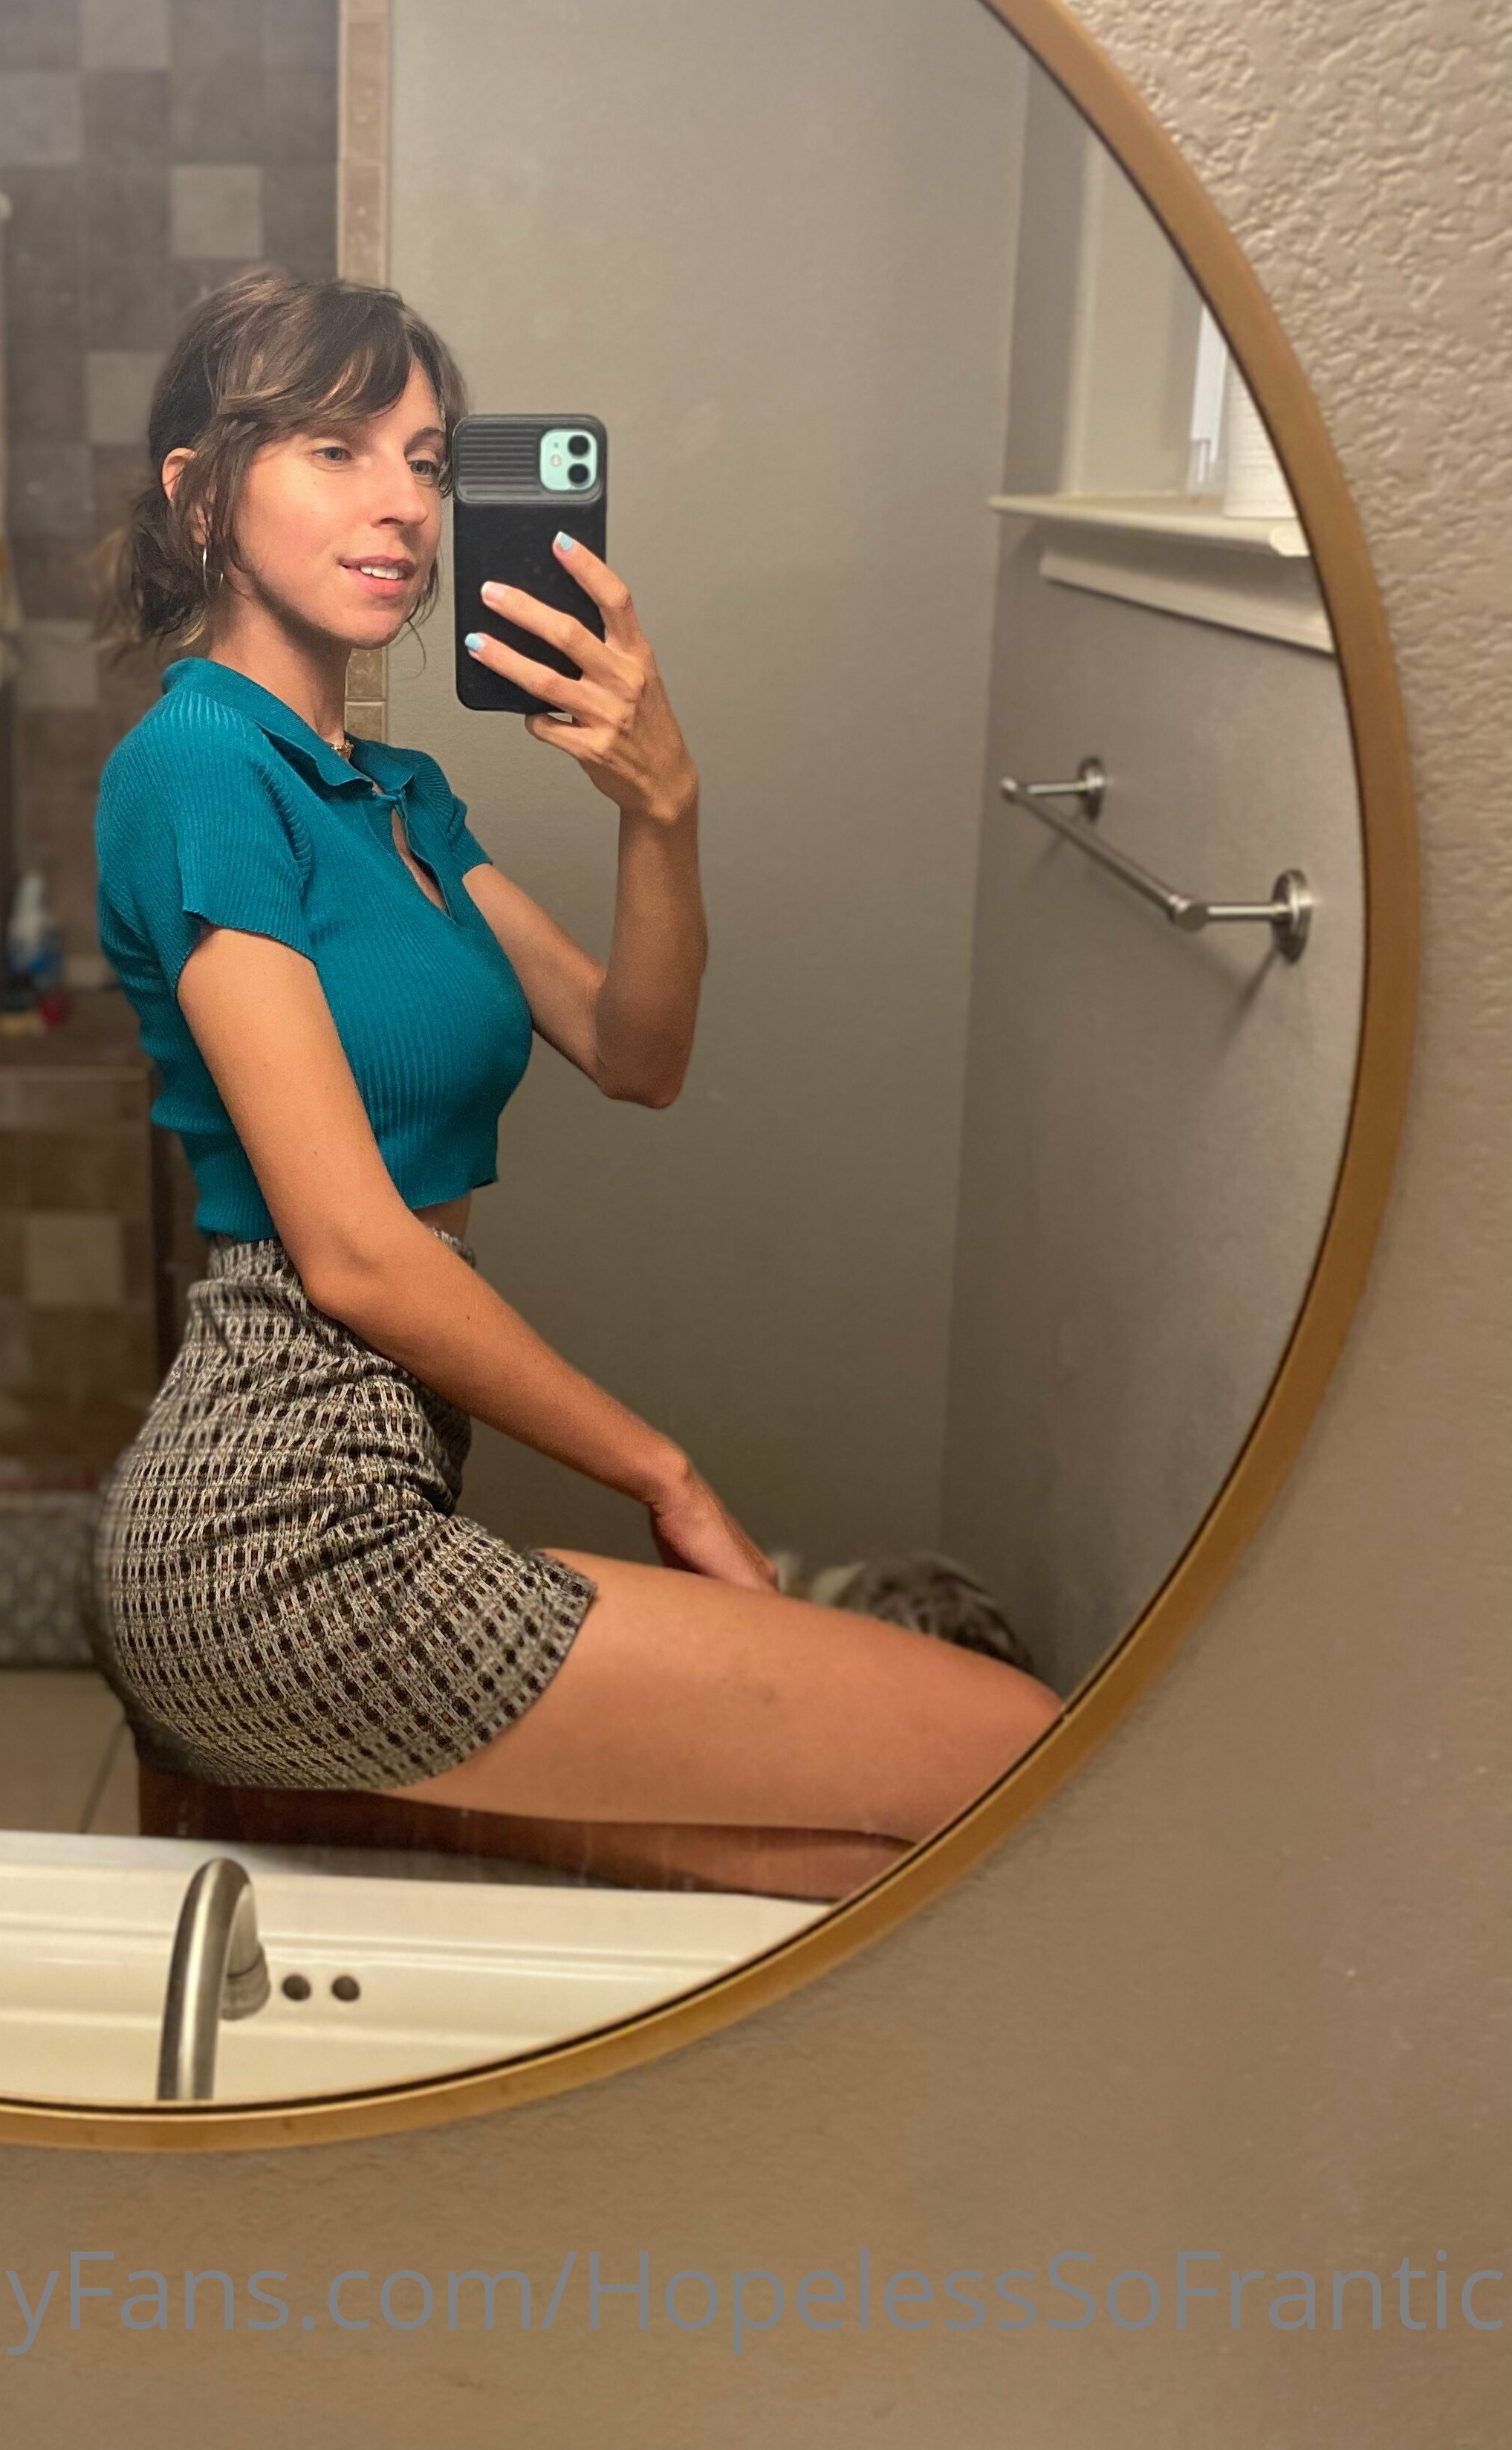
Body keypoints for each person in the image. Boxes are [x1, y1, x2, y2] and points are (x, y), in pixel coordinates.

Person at [82, 268, 1061, 1899]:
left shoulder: (395, 798)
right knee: (1016, 1751)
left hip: (371, 1484)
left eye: (425, 460)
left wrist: (661, 812)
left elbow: (636, 1053)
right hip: (270, 1526)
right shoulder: (199, 764)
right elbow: (356, 1256)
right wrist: (665, 1474)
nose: (404, 503)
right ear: (199, 496)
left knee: (853, 1874)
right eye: (336, 449)